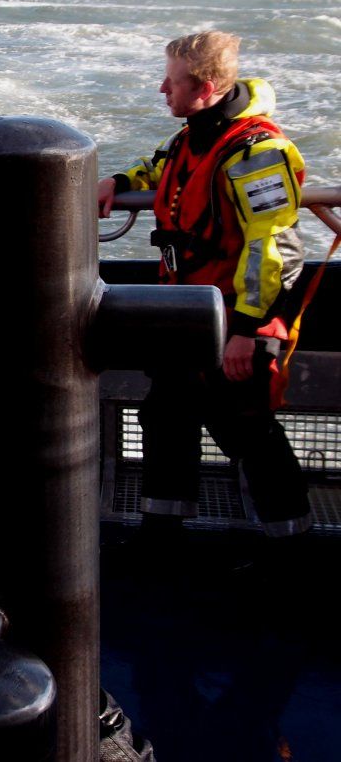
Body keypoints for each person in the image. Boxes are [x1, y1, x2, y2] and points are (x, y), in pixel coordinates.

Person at [98, 31, 311, 548]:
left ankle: (292, 548)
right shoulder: (192, 136)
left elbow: (277, 250)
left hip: (235, 318)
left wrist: (245, 331)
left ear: (207, 86)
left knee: (246, 430)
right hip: (187, 313)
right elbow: (160, 167)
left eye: (171, 81)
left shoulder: (258, 154)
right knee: (166, 414)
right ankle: (162, 532)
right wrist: (120, 181)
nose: (161, 89)